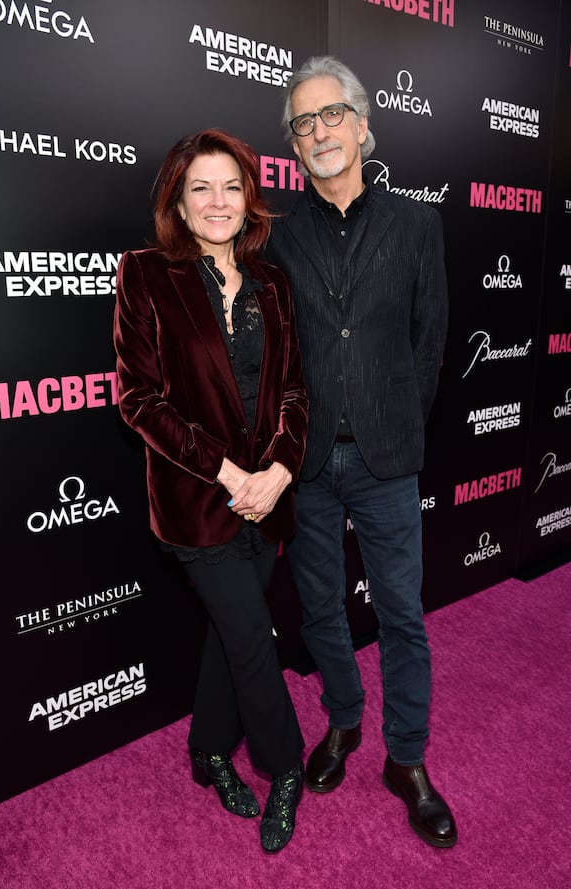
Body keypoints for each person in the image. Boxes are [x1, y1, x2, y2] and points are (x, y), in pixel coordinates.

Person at [265, 56, 456, 848]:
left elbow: (430, 340)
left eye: (332, 114)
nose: (320, 131)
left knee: (402, 613)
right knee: (320, 608)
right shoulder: (278, 236)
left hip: (386, 458)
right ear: (294, 145)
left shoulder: (416, 224)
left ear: (363, 123)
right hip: (307, 463)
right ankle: (343, 720)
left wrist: (397, 425)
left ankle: (406, 758)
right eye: (304, 122)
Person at [114, 129, 309, 853]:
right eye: (202, 188)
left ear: (250, 198)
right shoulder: (145, 274)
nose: (218, 201)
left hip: (268, 499)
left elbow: (295, 392)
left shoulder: (273, 283)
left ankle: (207, 750)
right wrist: (232, 475)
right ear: (179, 201)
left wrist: (279, 472)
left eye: (232, 186)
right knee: (252, 638)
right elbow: (139, 399)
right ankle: (285, 765)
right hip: (200, 501)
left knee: (231, 636)